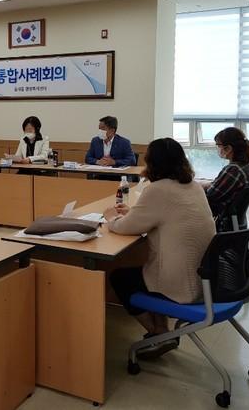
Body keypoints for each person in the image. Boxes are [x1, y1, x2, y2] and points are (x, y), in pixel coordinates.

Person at [103, 138, 215, 359]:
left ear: (152, 163)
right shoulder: (194, 186)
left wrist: (110, 218)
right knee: (147, 269)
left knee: (120, 278)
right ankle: (162, 330)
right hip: (205, 278)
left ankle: (157, 333)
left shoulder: (158, 189)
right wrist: (134, 213)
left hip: (180, 281)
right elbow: (164, 215)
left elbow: (125, 228)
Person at [200, 127, 249, 227]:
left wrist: (197, 188)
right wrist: (207, 184)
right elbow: (220, 188)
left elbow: (210, 196)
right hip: (236, 222)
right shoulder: (246, 165)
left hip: (223, 222)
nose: (218, 149)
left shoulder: (234, 170)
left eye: (218, 145)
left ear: (228, 148)